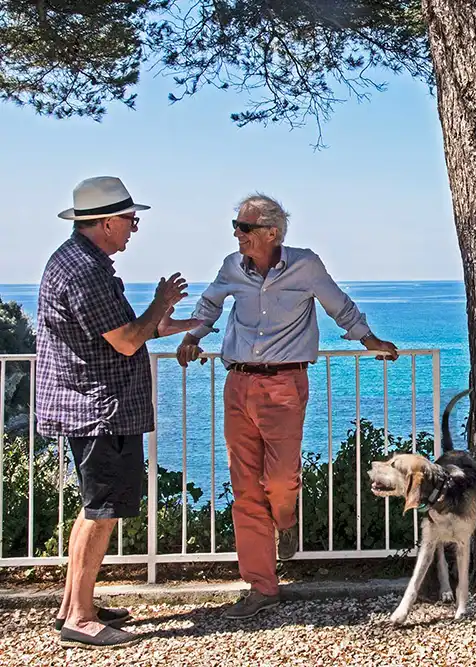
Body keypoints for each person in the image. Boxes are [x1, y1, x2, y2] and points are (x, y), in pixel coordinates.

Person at [175, 194, 399, 620]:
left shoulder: (305, 265)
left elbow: (340, 306)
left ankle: (286, 519)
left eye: (244, 227)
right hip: (237, 383)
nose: (237, 234)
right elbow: (208, 305)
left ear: (271, 233)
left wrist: (370, 340)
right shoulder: (230, 267)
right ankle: (261, 585)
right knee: (244, 488)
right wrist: (192, 337)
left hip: (284, 385)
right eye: (236, 226)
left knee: (278, 481)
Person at [37, 176, 196, 648]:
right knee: (99, 512)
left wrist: (189, 324)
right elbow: (127, 340)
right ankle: (81, 619)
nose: (135, 227)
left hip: (88, 403)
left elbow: (128, 330)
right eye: (130, 219)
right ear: (106, 222)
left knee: (93, 509)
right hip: (97, 408)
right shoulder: (85, 272)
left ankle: (73, 603)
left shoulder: (79, 262)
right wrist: (161, 303)